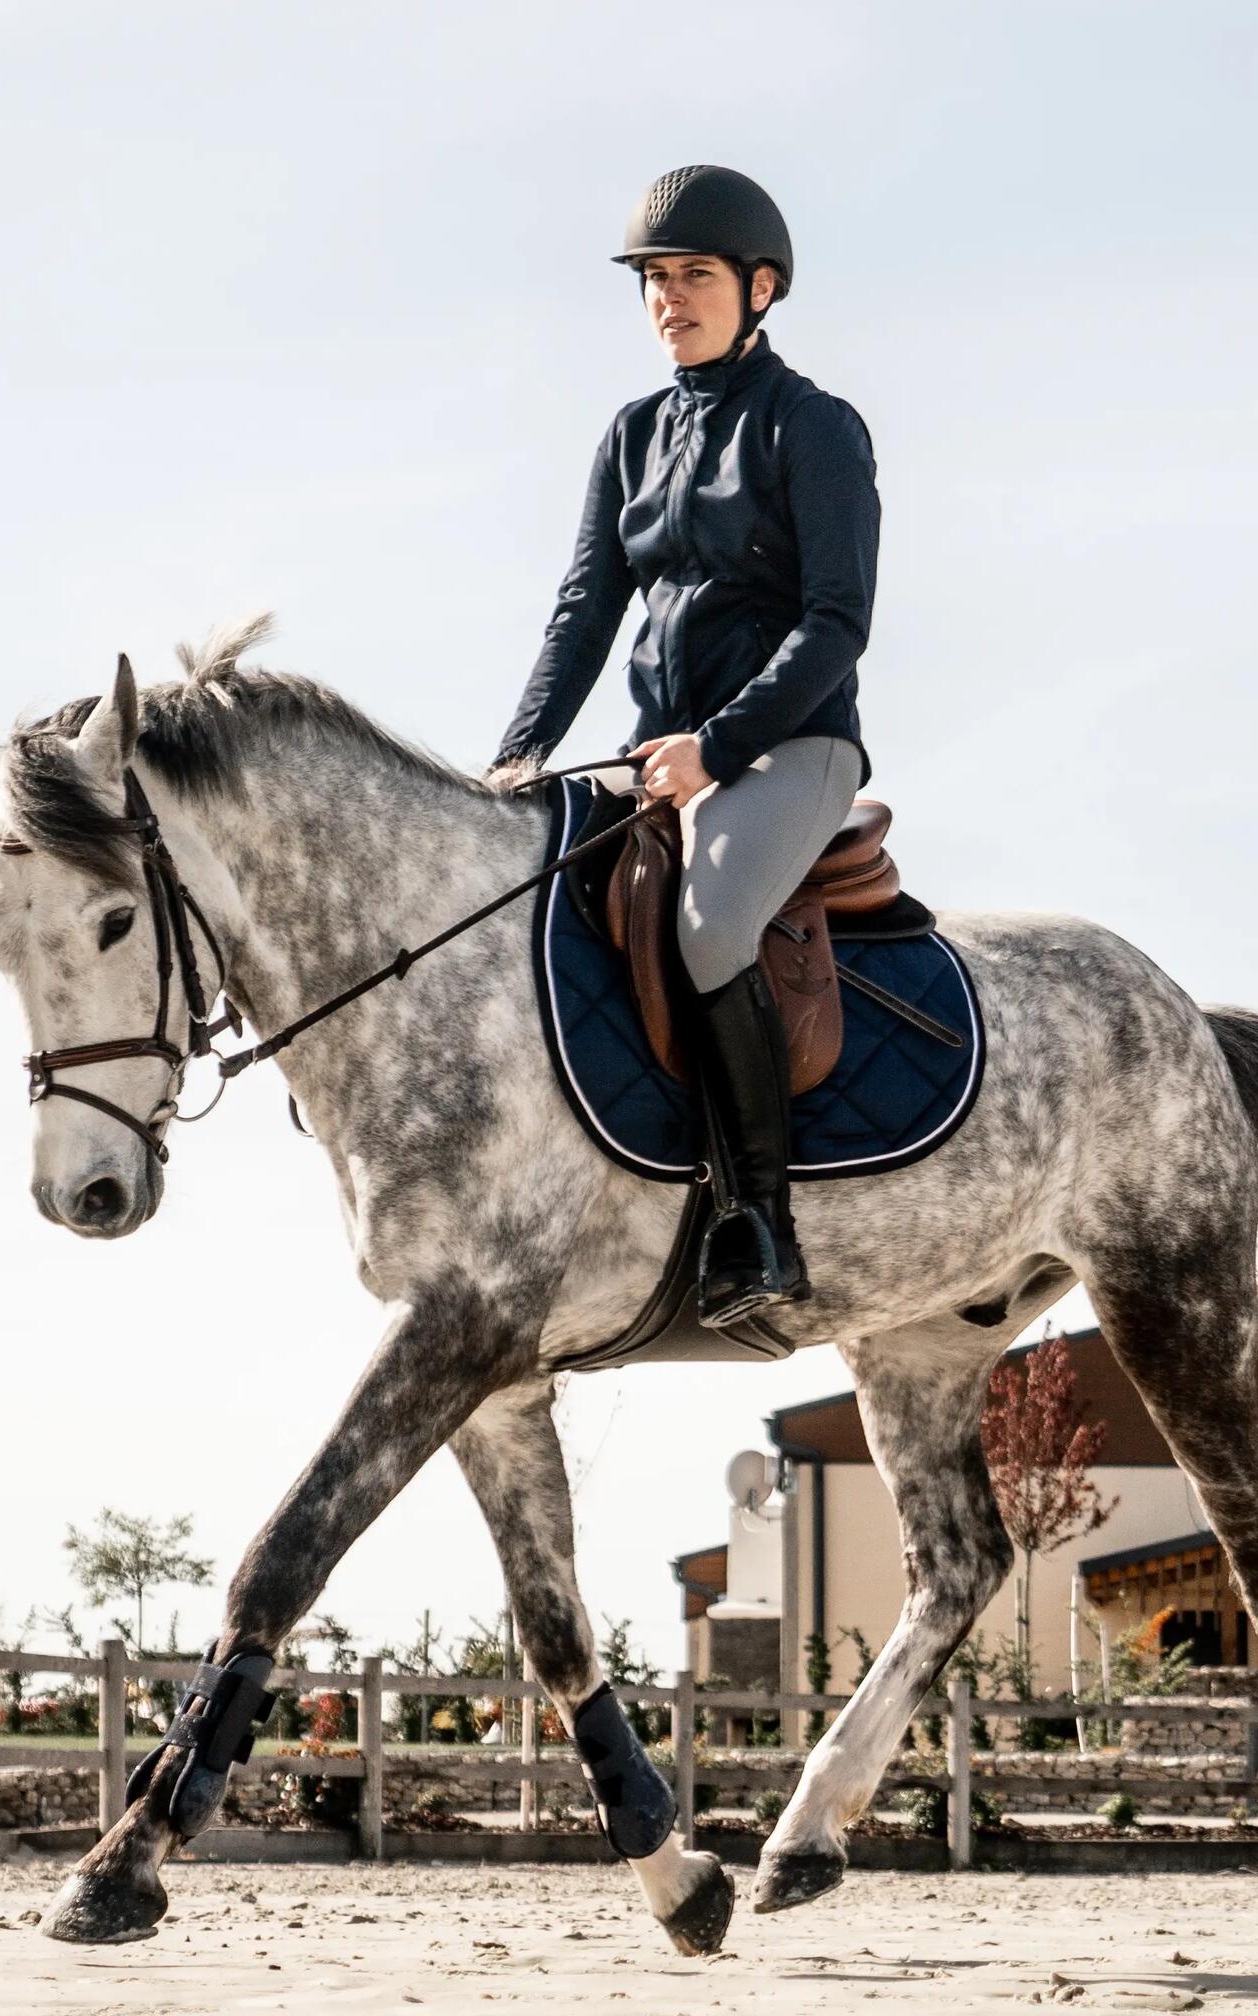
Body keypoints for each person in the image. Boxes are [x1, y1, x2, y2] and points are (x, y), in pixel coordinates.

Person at [495, 165, 880, 1328]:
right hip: (656, 754)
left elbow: (837, 624)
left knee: (711, 925)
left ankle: (757, 1221)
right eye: (655, 281)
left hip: (788, 748)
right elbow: (582, 615)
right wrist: (513, 762)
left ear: (761, 288)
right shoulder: (632, 436)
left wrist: (718, 747)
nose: (670, 299)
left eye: (694, 276)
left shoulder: (814, 428)